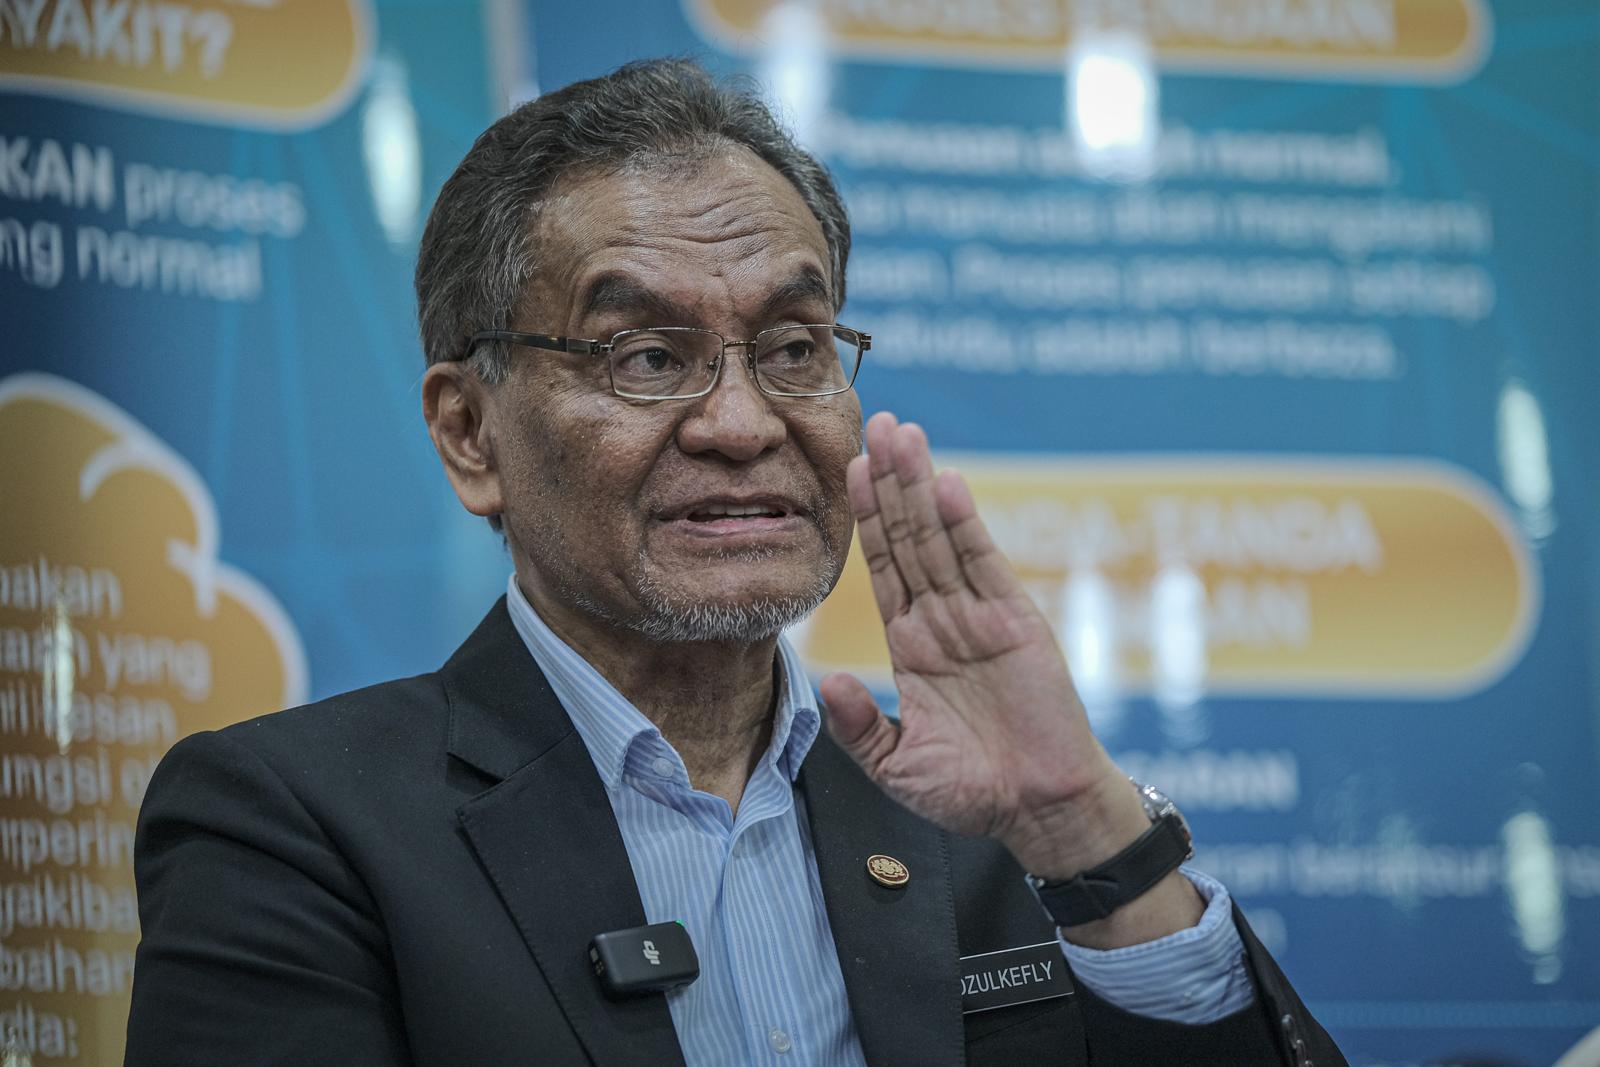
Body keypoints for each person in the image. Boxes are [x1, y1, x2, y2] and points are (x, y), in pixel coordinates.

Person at [126, 59, 1345, 1066]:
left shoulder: (982, 818)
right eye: (646, 356)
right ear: (469, 432)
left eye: (794, 345)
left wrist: (1082, 824)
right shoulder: (296, 824)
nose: (742, 422)